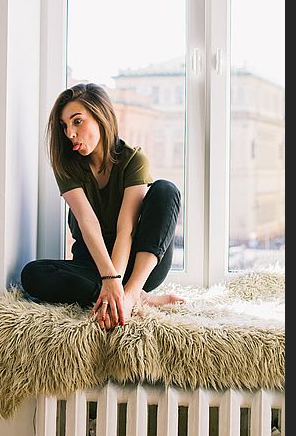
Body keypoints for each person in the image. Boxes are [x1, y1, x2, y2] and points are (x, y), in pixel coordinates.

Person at [21, 83, 184, 330]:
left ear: (100, 116)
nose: (69, 133)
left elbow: (125, 229)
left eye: (77, 122)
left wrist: (118, 285)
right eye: (64, 126)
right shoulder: (67, 164)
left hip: (137, 262)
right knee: (32, 274)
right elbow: (88, 223)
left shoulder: (133, 160)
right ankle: (136, 299)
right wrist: (108, 279)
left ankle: (130, 295)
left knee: (166, 189)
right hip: (93, 264)